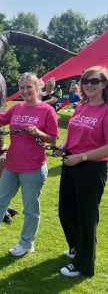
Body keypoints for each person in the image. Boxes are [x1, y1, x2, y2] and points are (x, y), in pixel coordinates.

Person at [0, 72, 59, 256]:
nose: (25, 91)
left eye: (28, 87)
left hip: (33, 167)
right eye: (22, 87)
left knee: (31, 209)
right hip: (12, 165)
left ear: (38, 87)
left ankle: (26, 243)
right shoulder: (17, 108)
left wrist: (39, 133)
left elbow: (53, 139)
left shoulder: (46, 110)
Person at [56, 66, 108, 277]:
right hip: (71, 162)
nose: (88, 85)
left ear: (104, 84)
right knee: (66, 211)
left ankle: (83, 265)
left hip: (91, 167)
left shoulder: (106, 110)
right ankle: (78, 246)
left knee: (86, 216)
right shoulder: (81, 106)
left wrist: (83, 157)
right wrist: (63, 145)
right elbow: (72, 132)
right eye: (85, 80)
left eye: (94, 81)